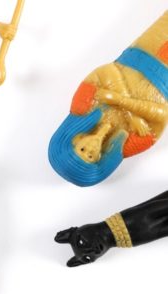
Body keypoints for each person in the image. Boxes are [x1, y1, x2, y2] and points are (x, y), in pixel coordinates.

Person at [49, 12, 168, 186]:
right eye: (91, 156)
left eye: (82, 149)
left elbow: (108, 72)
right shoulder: (127, 146)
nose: (91, 148)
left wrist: (125, 104)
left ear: (75, 140)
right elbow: (163, 114)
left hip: (144, 53)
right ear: (99, 158)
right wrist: (125, 107)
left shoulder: (82, 107)